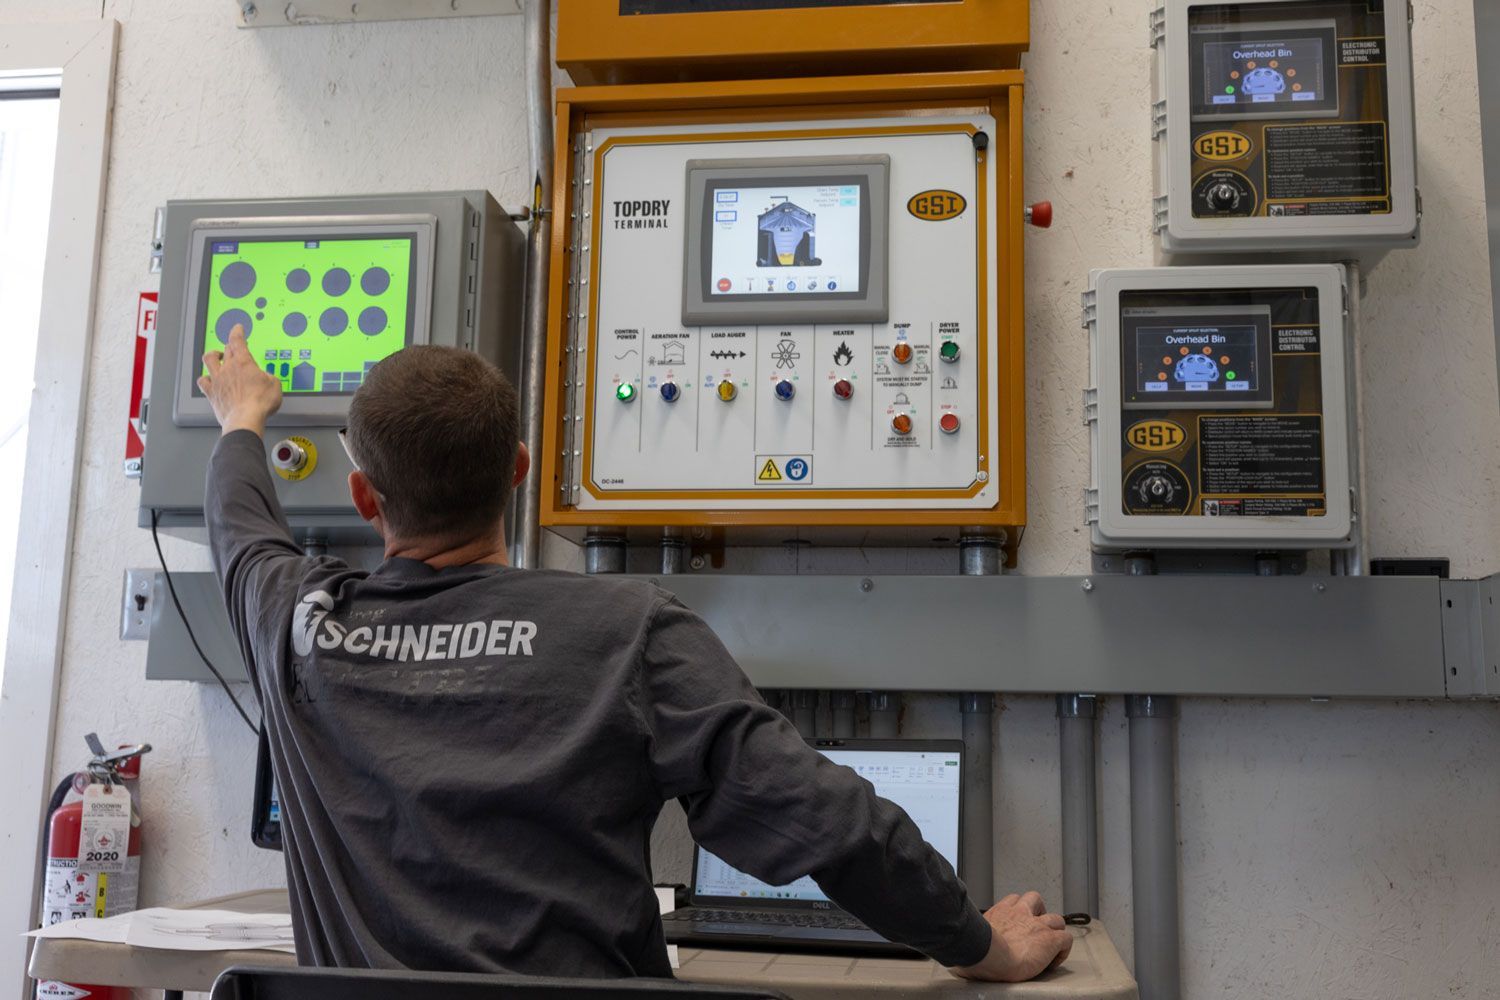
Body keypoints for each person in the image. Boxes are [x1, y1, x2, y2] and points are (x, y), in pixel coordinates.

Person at [198, 325, 1073, 983]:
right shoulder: (624, 629)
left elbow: (240, 527)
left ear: (362, 496)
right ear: (518, 469)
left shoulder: (298, 624)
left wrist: (242, 418)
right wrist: (979, 945)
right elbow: (829, 822)